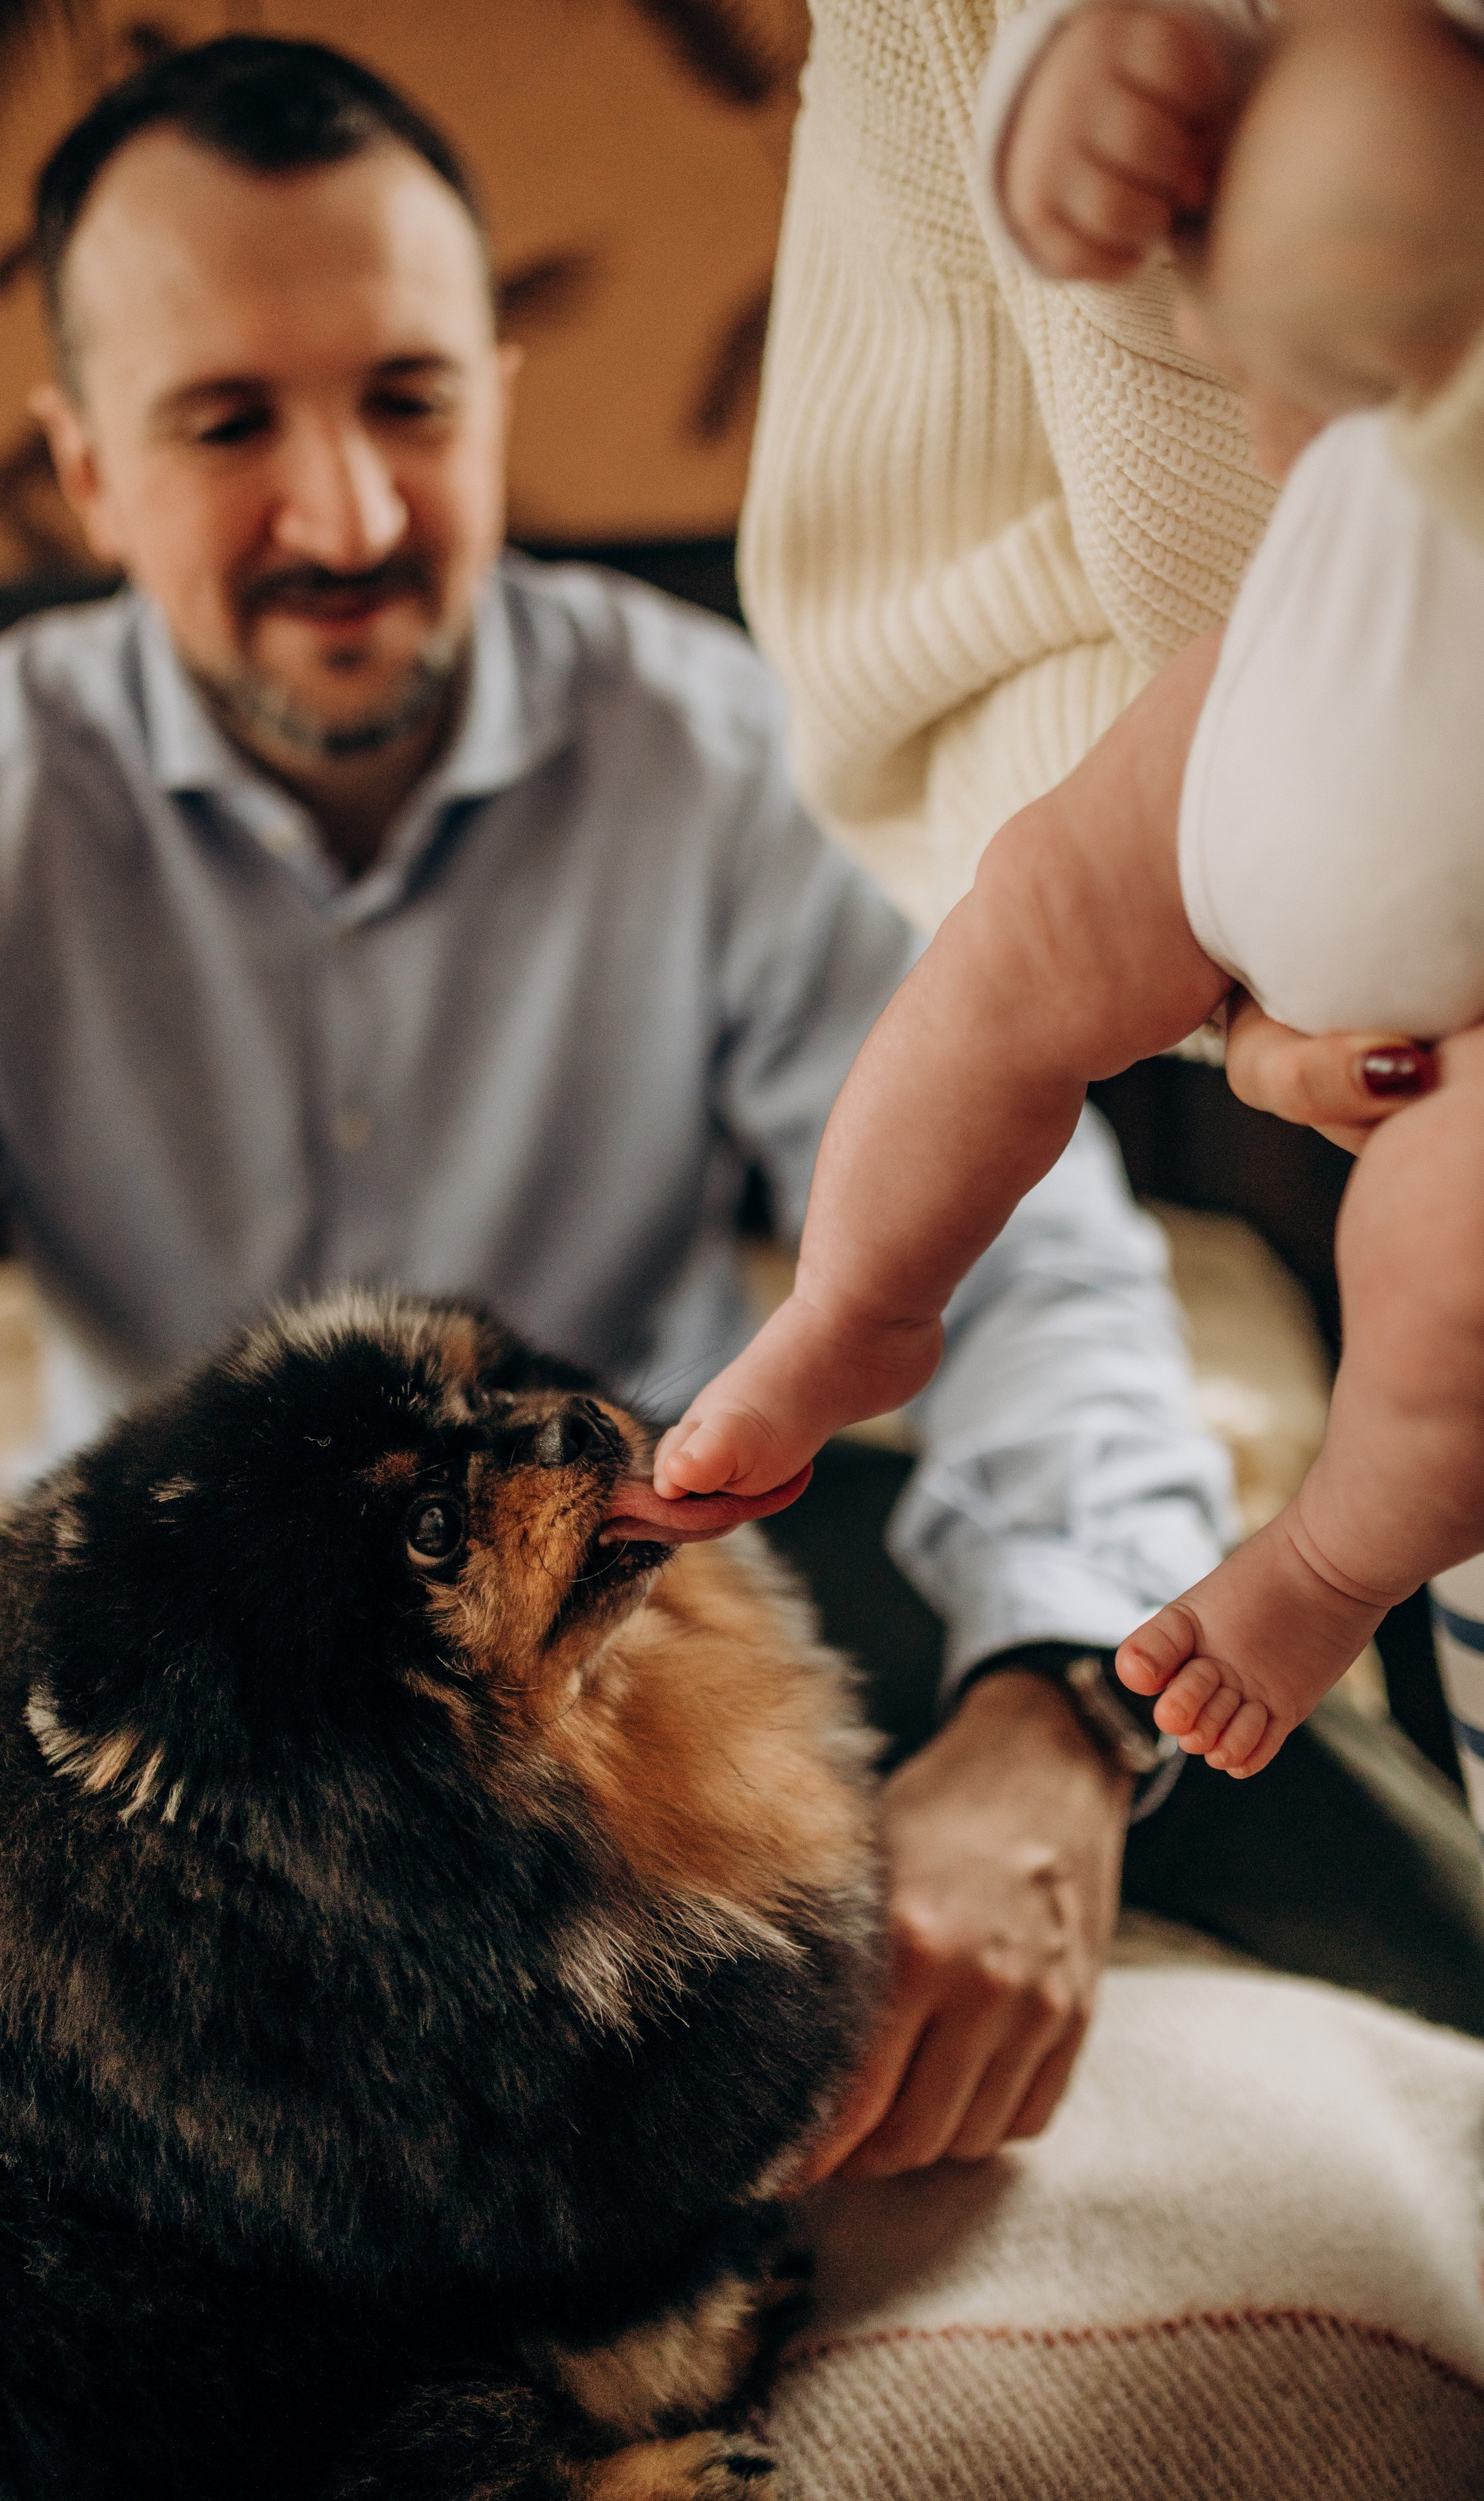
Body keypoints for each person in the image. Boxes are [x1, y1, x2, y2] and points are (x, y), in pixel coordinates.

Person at [0, 35, 1238, 2275]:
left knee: (1300, 1768)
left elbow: (1040, 1270)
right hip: (171, 1692)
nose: (352, 516)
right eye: (224, 426)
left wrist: (1058, 1709)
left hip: (682, 1602)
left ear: (497, 390)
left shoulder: (745, 751)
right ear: (87, 473)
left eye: (407, 401)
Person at [654, 5, 1484, 1785]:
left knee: (1455, 1242)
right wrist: (1104, 84)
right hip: (1296, 652)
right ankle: (858, 1303)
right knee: (1020, 922)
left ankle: (1329, 1562)